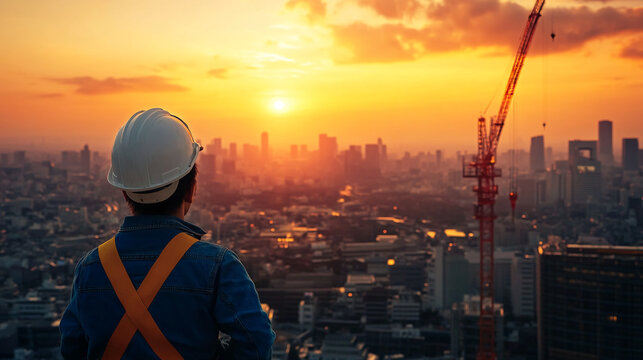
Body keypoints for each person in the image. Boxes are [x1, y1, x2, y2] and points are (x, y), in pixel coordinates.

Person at [60, 108, 275, 359]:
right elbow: (256, 343)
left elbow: (72, 349)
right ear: (191, 190)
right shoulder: (216, 266)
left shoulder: (90, 268)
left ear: (124, 192)